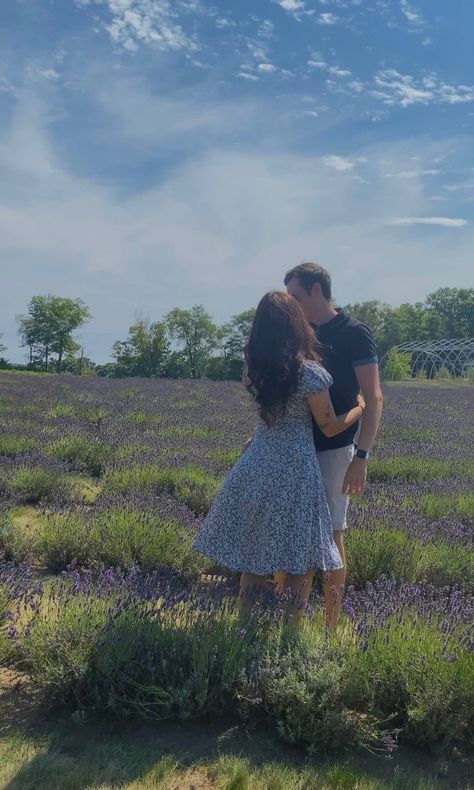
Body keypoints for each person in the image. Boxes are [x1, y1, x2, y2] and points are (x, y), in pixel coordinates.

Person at [193, 291, 365, 624]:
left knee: (255, 558)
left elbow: (268, 417)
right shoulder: (310, 373)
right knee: (299, 559)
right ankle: (290, 637)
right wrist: (360, 407)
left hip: (256, 464)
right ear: (295, 325)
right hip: (295, 468)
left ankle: (244, 631)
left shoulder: (254, 369)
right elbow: (328, 426)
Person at [278, 263, 383, 628]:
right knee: (290, 532)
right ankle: (286, 622)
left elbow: (373, 396)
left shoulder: (354, 332)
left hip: (335, 449)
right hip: (292, 448)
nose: (291, 304)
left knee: (331, 534)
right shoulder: (296, 333)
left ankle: (332, 626)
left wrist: (362, 457)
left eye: (296, 296)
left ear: (318, 290)